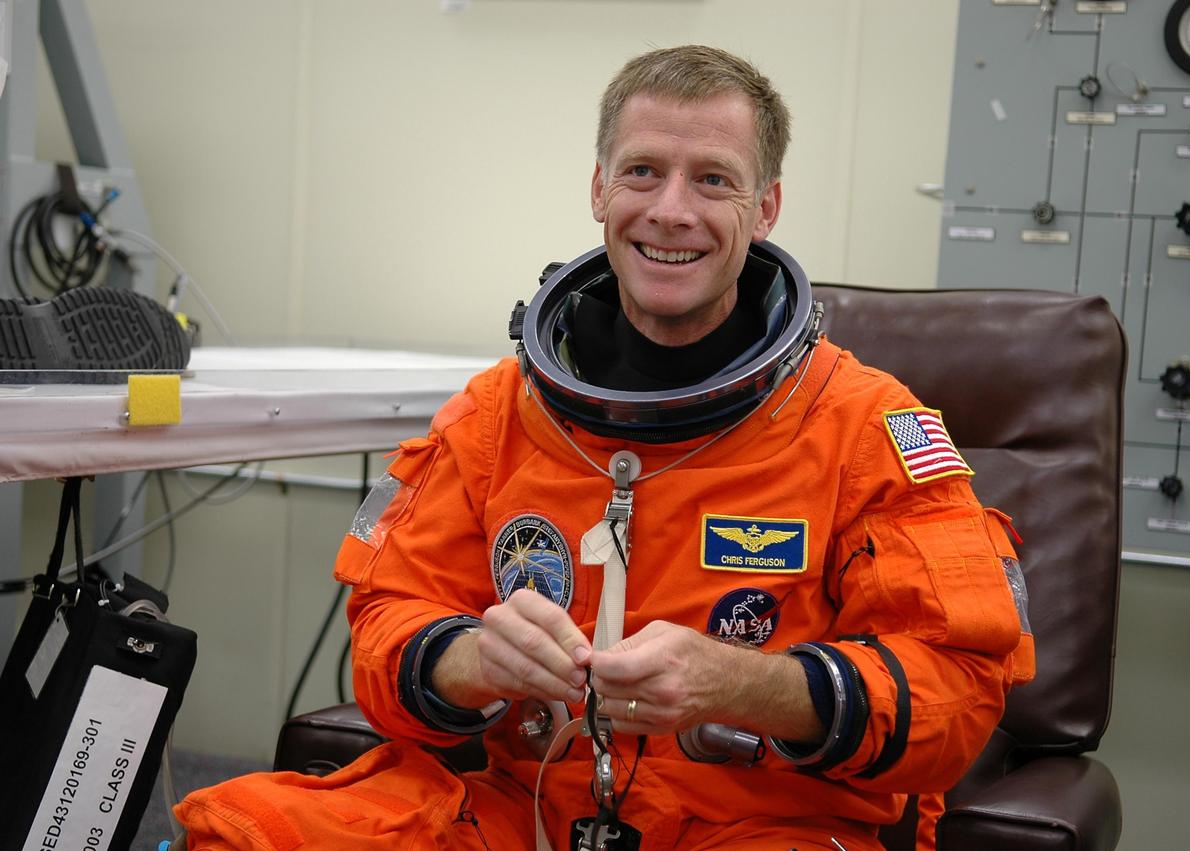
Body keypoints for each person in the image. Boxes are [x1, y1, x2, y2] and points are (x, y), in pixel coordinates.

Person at [176, 45, 1033, 851]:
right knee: (244, 829)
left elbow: (958, 694)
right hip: (530, 809)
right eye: (643, 172)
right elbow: (384, 629)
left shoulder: (860, 427)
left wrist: (744, 685)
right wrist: (473, 660)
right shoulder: (496, 417)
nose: (671, 210)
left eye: (713, 180)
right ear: (598, 188)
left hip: (767, 821)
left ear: (765, 208)